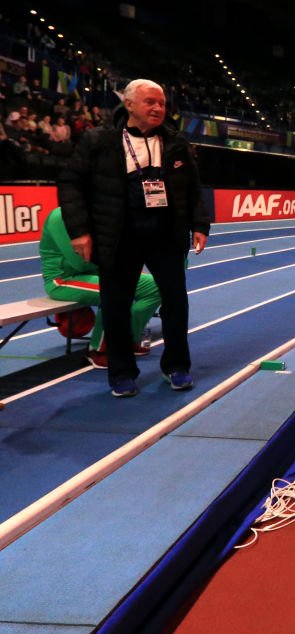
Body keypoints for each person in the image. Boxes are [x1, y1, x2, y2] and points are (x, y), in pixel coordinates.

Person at [58, 79, 210, 398]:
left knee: (176, 302)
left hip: (165, 234)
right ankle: (121, 372)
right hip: (119, 235)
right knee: (116, 306)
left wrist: (200, 225)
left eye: (162, 103)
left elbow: (193, 189)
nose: (158, 108)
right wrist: (80, 231)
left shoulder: (176, 142)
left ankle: (177, 366)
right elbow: (71, 184)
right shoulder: (99, 140)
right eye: (150, 102)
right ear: (129, 104)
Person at [40, 207, 162, 367]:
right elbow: (80, 263)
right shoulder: (61, 217)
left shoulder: (101, 214)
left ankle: (130, 338)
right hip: (64, 279)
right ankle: (98, 350)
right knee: (113, 291)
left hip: (97, 272)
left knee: (156, 286)